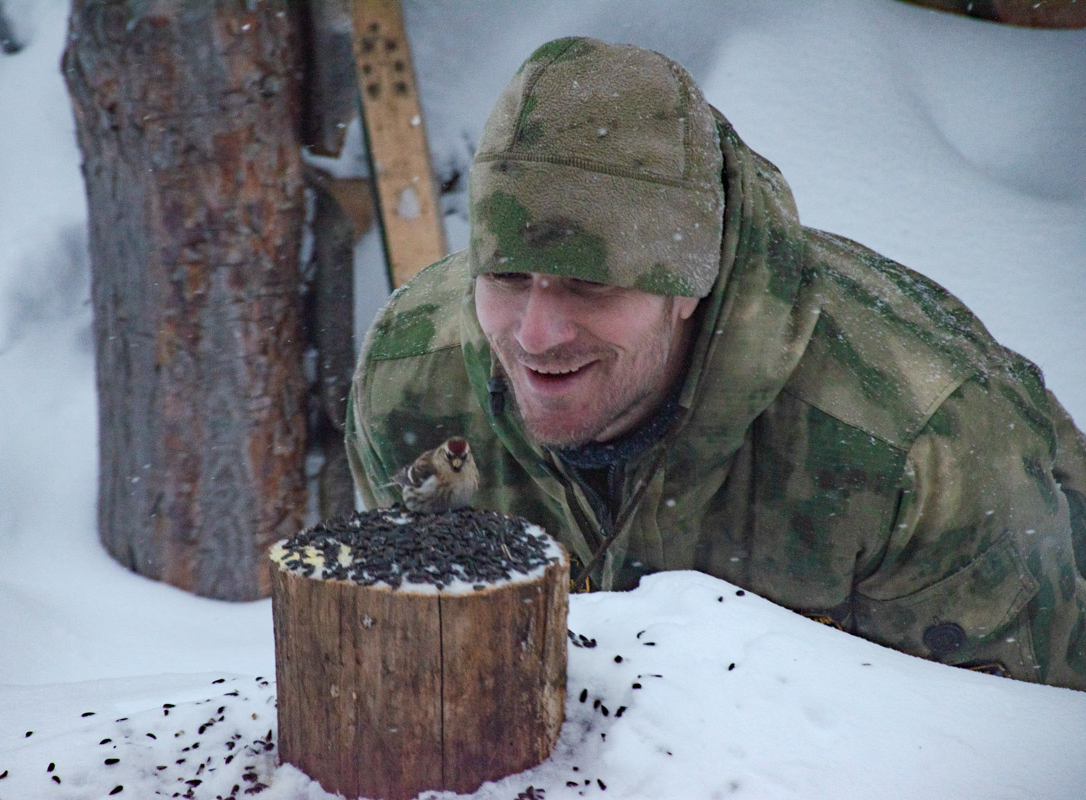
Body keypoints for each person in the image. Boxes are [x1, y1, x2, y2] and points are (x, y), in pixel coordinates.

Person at [345, 37, 1086, 690]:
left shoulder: (918, 443)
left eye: (590, 283)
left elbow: (1002, 747)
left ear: (689, 284)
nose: (536, 335)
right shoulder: (413, 378)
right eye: (507, 275)